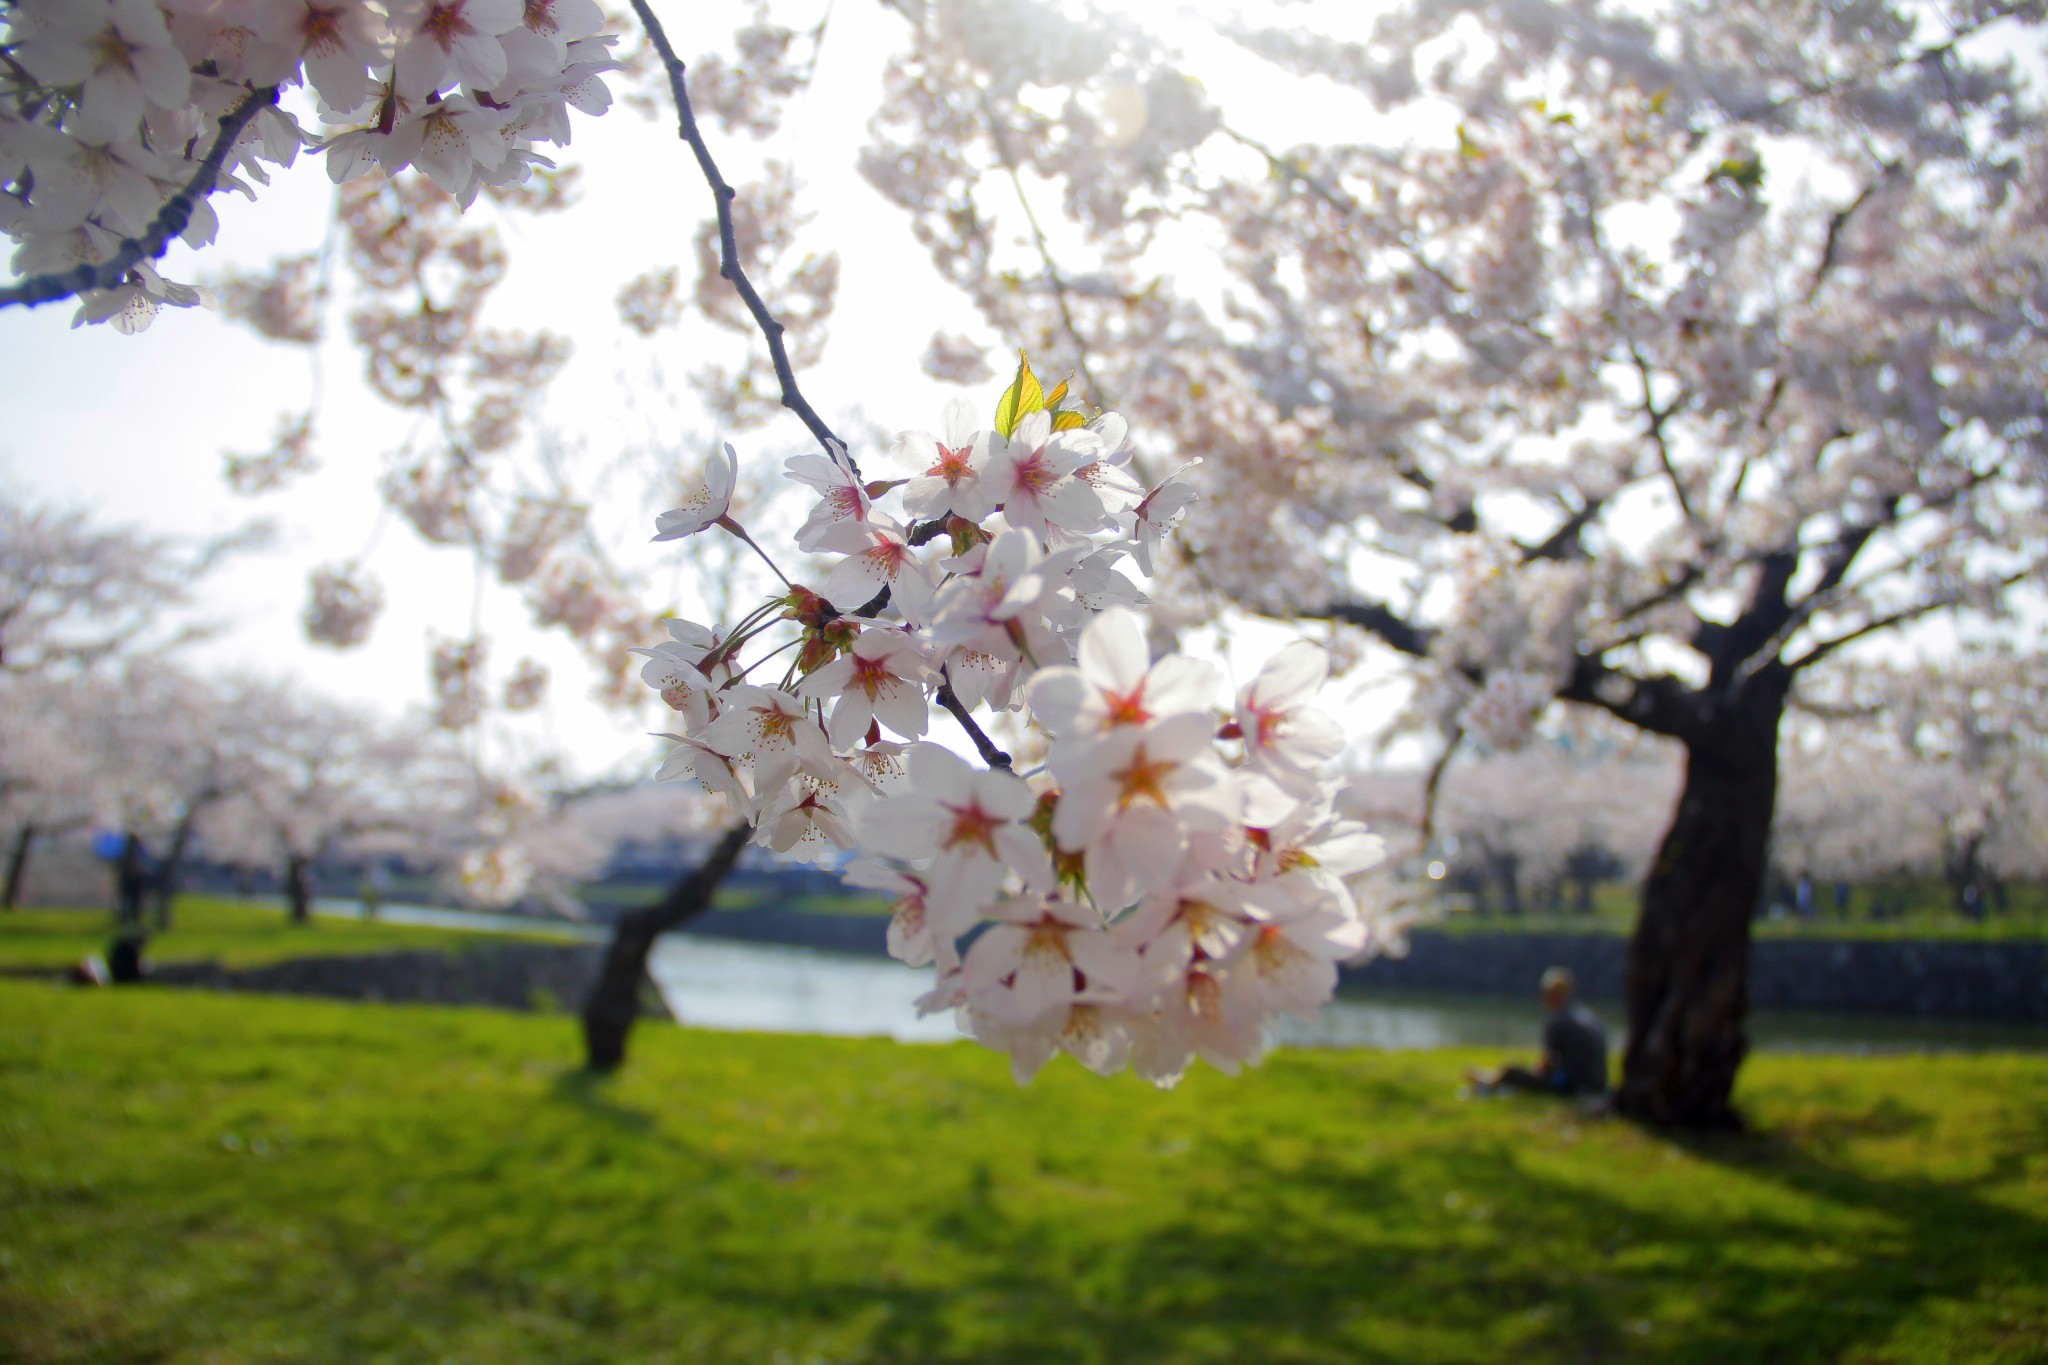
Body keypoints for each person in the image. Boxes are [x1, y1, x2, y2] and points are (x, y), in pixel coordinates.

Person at [1466, 967, 1610, 1098]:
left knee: (1510, 1070)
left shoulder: (1558, 1021)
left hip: (1572, 1087)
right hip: (1597, 1084)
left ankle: (1488, 1081)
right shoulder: (1587, 1015)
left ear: (1551, 995)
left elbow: (1547, 1062)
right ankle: (1491, 1078)